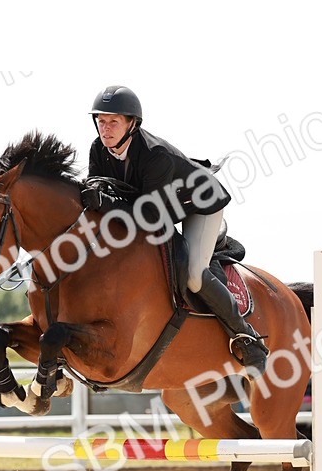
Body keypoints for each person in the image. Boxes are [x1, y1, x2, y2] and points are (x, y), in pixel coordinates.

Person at [81, 85, 268, 373]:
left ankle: (246, 337)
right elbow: (98, 197)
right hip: (157, 207)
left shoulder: (155, 155)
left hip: (198, 204)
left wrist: (105, 204)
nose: (105, 129)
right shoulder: (98, 149)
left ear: (132, 124)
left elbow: (149, 216)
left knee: (193, 276)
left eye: (113, 122)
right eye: (101, 121)